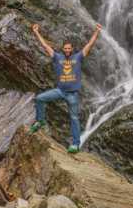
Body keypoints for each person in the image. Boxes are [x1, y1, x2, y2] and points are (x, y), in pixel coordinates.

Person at [29, 23, 102, 153]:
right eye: (65, 49)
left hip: (72, 94)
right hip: (59, 91)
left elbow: (89, 45)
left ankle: (75, 144)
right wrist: (36, 32)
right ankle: (40, 121)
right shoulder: (57, 57)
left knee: (74, 118)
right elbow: (45, 46)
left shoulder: (78, 57)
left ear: (72, 49)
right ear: (63, 49)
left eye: (69, 48)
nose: (67, 50)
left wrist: (96, 31)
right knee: (40, 98)